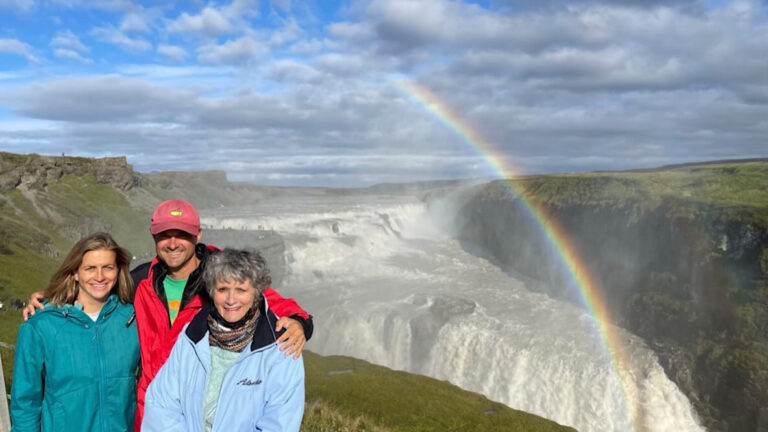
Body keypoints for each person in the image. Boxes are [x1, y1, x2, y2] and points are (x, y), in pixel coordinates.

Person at [24, 199, 313, 430]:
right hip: (147, 415)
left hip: (198, 413)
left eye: (182, 234)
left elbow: (268, 299)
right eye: (165, 234)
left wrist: (300, 323)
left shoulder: (221, 275)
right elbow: (95, 287)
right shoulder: (140, 281)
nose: (173, 243)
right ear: (154, 236)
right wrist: (49, 301)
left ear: (197, 235)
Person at [142, 248, 304, 432]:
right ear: (212, 291)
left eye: (241, 289)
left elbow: (280, 423)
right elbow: (161, 405)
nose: (231, 299)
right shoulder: (191, 337)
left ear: (256, 293)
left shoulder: (281, 346)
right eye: (223, 289)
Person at [11, 233, 140, 432]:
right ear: (75, 273)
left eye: (108, 267)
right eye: (90, 268)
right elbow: (25, 404)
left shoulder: (132, 319)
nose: (99, 277)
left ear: (118, 270)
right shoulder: (40, 326)